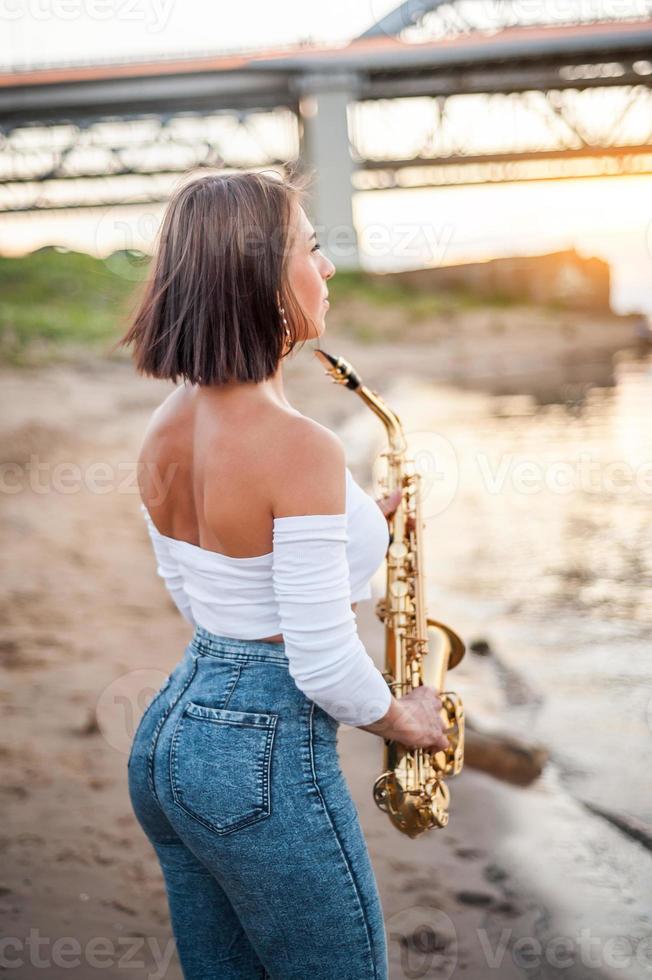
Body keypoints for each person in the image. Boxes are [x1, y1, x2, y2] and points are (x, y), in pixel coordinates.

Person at [117, 169, 449, 980]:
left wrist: (353, 518)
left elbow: (207, 584)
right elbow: (322, 661)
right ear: (261, 275)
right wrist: (403, 719)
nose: (327, 268)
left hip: (173, 731)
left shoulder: (169, 422)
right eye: (312, 247)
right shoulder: (299, 444)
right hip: (258, 751)